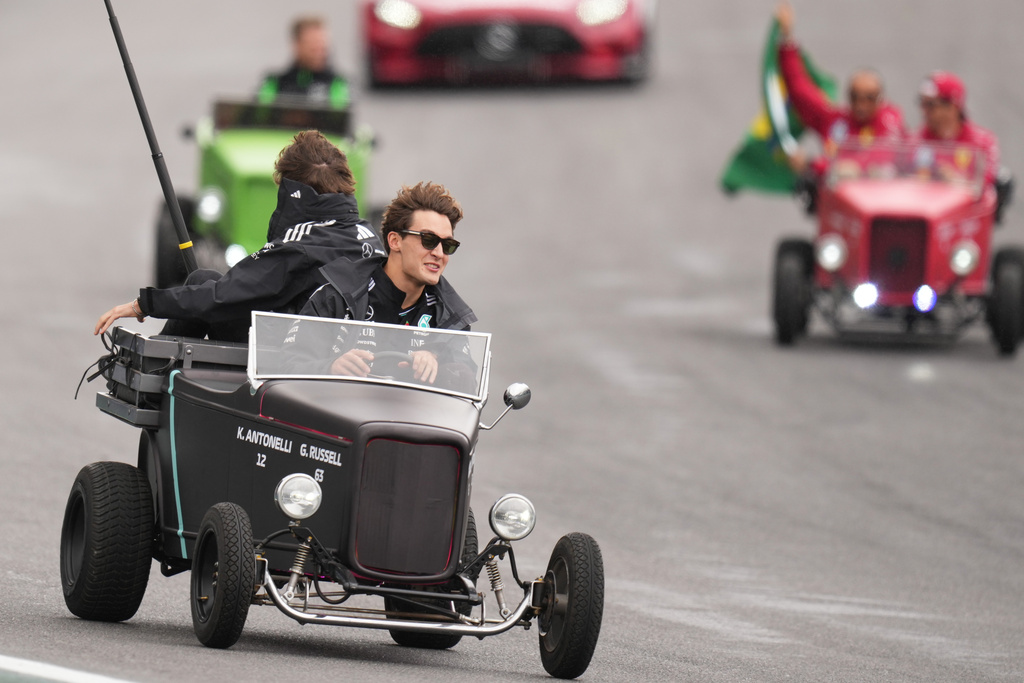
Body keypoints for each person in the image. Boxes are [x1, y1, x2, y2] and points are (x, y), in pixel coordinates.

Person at [94, 130, 385, 342]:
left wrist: (145, 304)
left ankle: (154, 382)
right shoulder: (366, 233)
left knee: (202, 281)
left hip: (296, 356)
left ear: (294, 192)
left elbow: (227, 294)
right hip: (351, 347)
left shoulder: (304, 242)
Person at [284, 182, 476, 384]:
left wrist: (436, 363)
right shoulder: (337, 296)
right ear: (395, 241)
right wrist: (330, 368)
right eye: (428, 240)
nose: (438, 253)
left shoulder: (450, 316)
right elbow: (286, 368)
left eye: (447, 245)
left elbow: (467, 388)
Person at [775, 2, 905, 173]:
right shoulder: (835, 120)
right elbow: (799, 90)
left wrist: (815, 164)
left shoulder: (890, 119)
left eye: (870, 97)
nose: (861, 104)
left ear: (881, 98)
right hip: (836, 195)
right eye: (855, 96)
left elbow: (880, 158)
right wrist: (787, 38)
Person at [916, 71, 1000, 188]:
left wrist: (955, 180)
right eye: (921, 102)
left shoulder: (982, 142)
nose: (923, 110)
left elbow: (985, 183)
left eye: (930, 104)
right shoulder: (914, 140)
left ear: (952, 107)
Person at [258, 16, 349, 109]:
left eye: (323, 47)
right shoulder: (275, 83)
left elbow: (341, 117)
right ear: (296, 45)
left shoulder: (338, 83)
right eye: (313, 48)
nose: (319, 53)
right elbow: (257, 114)